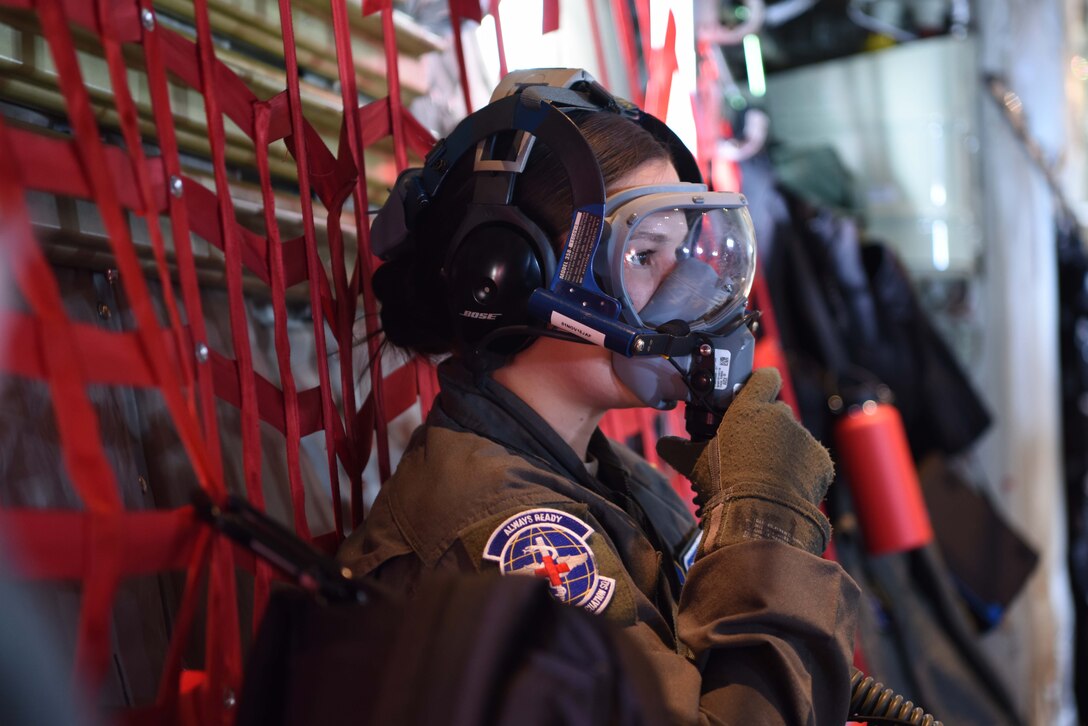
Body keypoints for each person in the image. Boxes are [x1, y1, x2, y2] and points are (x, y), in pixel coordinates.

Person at [339, 69, 861, 724]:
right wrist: (764, 520)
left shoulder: (608, 477)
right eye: (644, 255)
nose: (692, 289)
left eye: (683, 252)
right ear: (509, 278)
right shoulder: (506, 543)